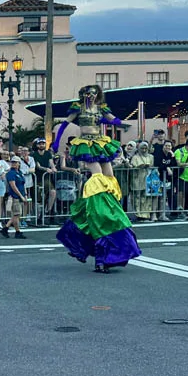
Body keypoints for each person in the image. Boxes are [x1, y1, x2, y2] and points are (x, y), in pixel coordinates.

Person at [53, 84, 141, 272]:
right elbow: (65, 123)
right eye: (87, 93)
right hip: (86, 143)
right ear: (83, 94)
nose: (90, 96)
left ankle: (106, 201)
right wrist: (56, 140)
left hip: (100, 140)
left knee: (109, 176)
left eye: (93, 93)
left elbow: (113, 120)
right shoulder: (78, 107)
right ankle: (96, 200)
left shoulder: (101, 108)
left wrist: (127, 122)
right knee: (98, 175)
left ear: (97, 95)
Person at [1, 156, 27, 239]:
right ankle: (17, 231)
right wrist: (21, 196)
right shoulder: (11, 173)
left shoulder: (20, 172)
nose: (14, 164)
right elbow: (13, 186)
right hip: (14, 196)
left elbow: (23, 184)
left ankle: (6, 228)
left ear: (19, 163)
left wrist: (25, 194)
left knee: (17, 214)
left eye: (16, 162)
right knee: (17, 214)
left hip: (19, 195)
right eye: (13, 162)